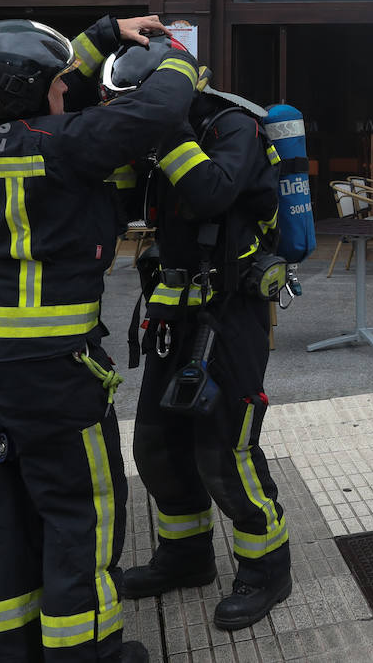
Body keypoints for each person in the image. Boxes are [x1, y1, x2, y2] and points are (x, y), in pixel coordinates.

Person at [0, 14, 197, 662]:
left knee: (11, 512)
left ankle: (14, 650)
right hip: (57, 375)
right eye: (53, 85)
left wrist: (103, 33)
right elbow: (158, 108)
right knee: (84, 518)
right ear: (28, 91)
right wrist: (176, 53)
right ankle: (90, 654)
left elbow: (5, 87)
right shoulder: (64, 147)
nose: (63, 93)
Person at [114, 40, 292, 632]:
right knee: (158, 447)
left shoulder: (233, 124)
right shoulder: (159, 131)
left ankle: (266, 568)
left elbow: (213, 191)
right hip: (172, 308)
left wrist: (163, 137)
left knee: (225, 451)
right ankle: (186, 556)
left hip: (230, 311)